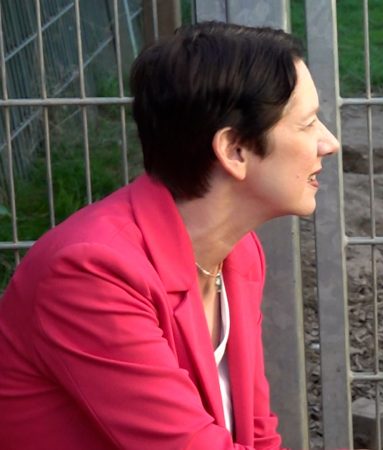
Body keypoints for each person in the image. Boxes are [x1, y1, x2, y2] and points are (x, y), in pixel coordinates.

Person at [0, 21, 339, 449]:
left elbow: (257, 433)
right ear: (234, 149)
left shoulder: (237, 254)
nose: (330, 142)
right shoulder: (91, 274)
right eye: (308, 124)